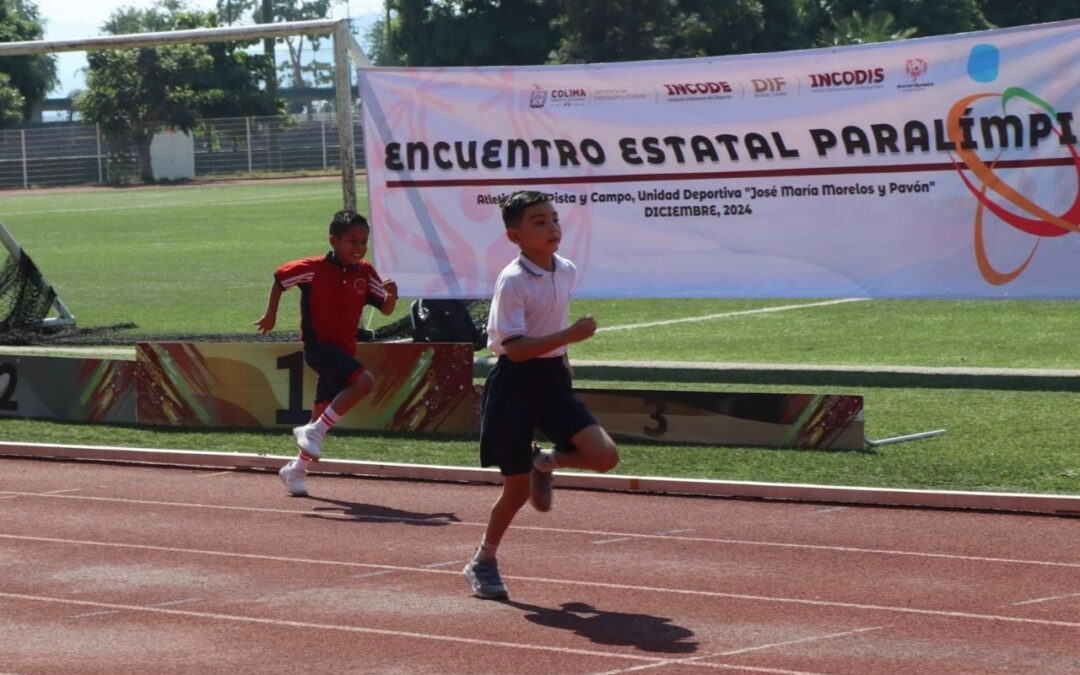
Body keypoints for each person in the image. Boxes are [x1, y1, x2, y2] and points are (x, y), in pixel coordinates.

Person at [463, 191, 619, 600]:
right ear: (515, 236)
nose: (552, 228)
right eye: (539, 222)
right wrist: (569, 336)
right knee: (514, 492)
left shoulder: (565, 269)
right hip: (514, 384)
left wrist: (564, 359)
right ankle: (484, 560)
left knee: (604, 457)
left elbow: (553, 323)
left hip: (552, 380)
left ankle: (543, 462)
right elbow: (513, 347)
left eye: (553, 219)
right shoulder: (513, 280)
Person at [255, 209, 398, 497]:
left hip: (344, 352)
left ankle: (295, 471)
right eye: (352, 241)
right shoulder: (314, 268)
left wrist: (392, 295)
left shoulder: (366, 273)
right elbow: (280, 278)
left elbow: (385, 308)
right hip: (319, 348)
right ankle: (313, 432)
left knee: (321, 417)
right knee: (364, 382)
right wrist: (270, 314)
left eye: (363, 241)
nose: (358, 248)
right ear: (333, 241)